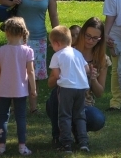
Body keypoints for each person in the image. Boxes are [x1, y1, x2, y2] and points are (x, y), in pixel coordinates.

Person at [46, 17, 109, 146]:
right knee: (55, 97)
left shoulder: (102, 59)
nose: (90, 41)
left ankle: (75, 132)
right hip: (64, 99)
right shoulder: (67, 51)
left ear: (100, 39)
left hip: (84, 103)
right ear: (82, 32)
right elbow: (51, 83)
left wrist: (93, 79)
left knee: (97, 119)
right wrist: (60, 75)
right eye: (88, 36)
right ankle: (58, 135)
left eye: (95, 38)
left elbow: (100, 93)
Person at [0, 0, 60, 87]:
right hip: (18, 38)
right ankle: (17, 103)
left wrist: (57, 36)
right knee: (17, 73)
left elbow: (53, 16)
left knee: (34, 75)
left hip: (40, 38)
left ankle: (33, 106)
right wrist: (12, 2)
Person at [0, 17, 36, 156]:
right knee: (21, 117)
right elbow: (30, 72)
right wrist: (33, 89)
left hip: (3, 89)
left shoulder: (1, 50)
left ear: (7, 33)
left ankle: (1, 146)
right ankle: (22, 147)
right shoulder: (28, 51)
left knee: (3, 117)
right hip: (20, 90)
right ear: (23, 33)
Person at [48, 26, 90, 154]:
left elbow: (56, 75)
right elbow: (87, 69)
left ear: (56, 43)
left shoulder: (57, 55)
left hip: (66, 88)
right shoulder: (77, 53)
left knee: (65, 116)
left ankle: (66, 143)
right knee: (80, 115)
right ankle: (83, 142)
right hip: (81, 87)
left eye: (52, 45)